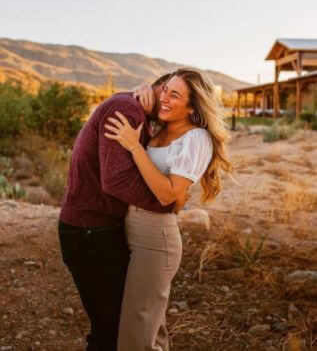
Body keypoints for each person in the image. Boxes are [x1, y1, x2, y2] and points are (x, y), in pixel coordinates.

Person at [104, 67, 232, 351]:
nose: (165, 98)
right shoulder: (160, 130)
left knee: (137, 332)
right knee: (151, 327)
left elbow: (168, 195)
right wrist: (143, 88)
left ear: (192, 107)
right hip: (133, 228)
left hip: (156, 239)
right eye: (165, 90)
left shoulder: (195, 138)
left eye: (176, 95)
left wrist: (134, 148)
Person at [58, 73, 185, 351]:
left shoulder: (133, 107)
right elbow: (115, 179)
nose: (168, 102)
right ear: (159, 89)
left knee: (119, 324)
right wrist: (165, 203)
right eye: (168, 93)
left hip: (95, 228)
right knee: (111, 330)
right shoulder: (127, 108)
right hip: (90, 231)